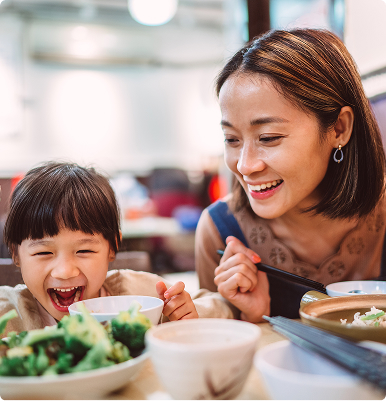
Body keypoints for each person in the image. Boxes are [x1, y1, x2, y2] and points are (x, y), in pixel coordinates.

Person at [195, 28, 386, 323]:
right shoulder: (219, 231)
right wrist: (253, 318)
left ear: (339, 129)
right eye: (232, 139)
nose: (245, 166)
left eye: (269, 137)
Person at [0, 162, 234, 337]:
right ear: (15, 253)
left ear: (112, 248)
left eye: (84, 251)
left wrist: (186, 314)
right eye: (43, 253)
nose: (64, 271)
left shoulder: (142, 295)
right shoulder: (8, 316)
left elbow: (221, 307)